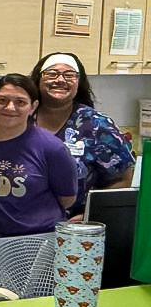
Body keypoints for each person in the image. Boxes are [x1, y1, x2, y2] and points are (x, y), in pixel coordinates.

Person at [0, 74, 77, 307]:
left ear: (33, 107)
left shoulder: (50, 148)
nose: (10, 108)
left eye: (20, 102)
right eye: (2, 100)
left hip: (34, 250)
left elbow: (67, 199)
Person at [29, 52, 135, 218]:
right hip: (20, 224)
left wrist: (89, 215)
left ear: (79, 83)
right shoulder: (20, 119)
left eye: (69, 75)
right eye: (52, 73)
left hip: (74, 228)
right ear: (38, 79)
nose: (60, 80)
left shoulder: (97, 126)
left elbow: (122, 178)